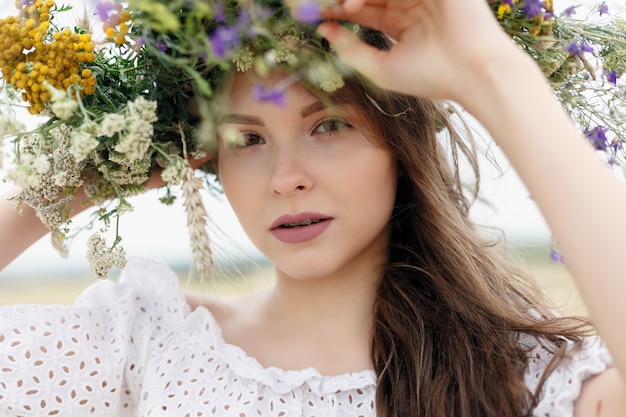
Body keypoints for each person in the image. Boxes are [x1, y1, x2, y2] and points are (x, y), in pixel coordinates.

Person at [1, 0, 625, 416]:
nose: (286, 179)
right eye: (246, 140)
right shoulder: (146, 342)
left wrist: (492, 73)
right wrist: (75, 181)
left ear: (400, 138)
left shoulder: (527, 378)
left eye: (328, 125)